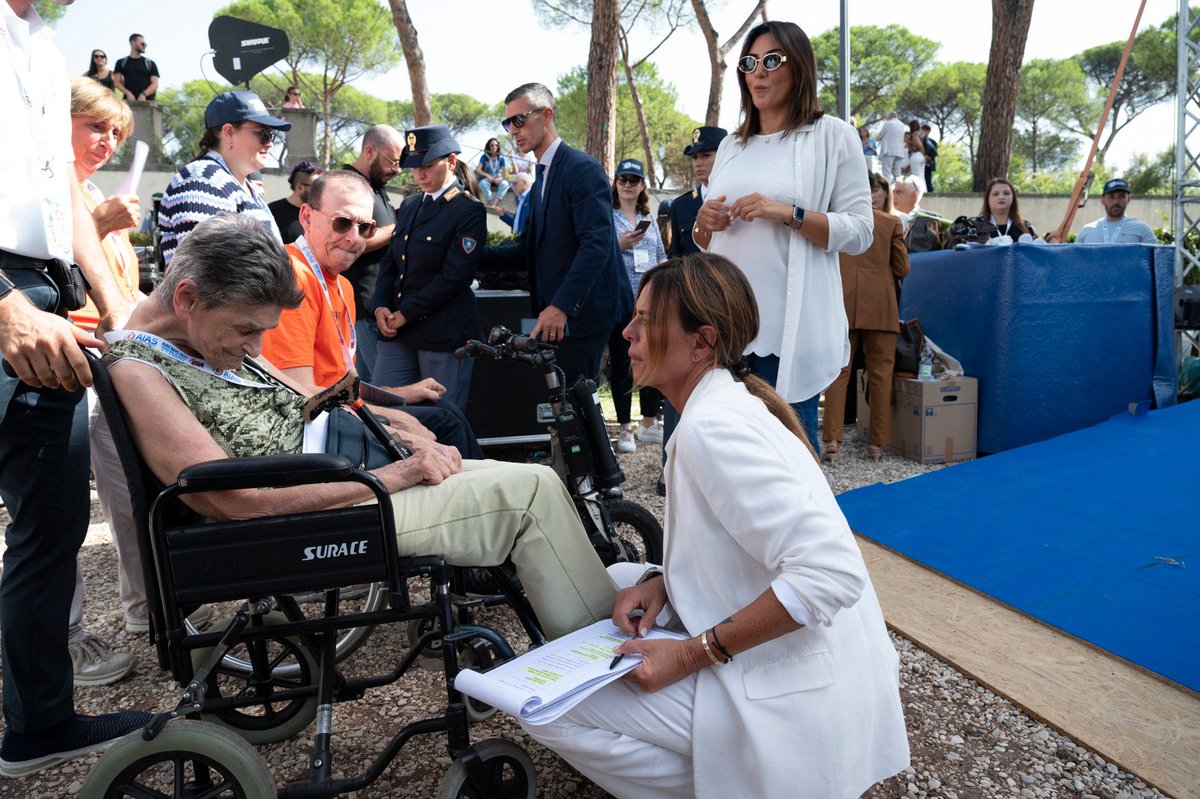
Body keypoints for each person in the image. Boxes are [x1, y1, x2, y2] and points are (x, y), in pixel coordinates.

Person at [104, 214, 618, 642]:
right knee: (529, 492)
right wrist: (396, 475)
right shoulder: (139, 370)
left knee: (531, 481)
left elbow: (303, 400)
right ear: (188, 299)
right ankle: (600, 653)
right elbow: (228, 497)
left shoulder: (196, 338)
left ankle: (598, 624)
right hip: (310, 515)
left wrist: (393, 420)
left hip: (334, 483)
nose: (256, 349)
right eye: (246, 330)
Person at [524, 253, 909, 799]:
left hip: (803, 698)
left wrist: (689, 654)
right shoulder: (729, 402)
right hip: (831, 678)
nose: (628, 333)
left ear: (701, 343)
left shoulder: (715, 428)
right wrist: (662, 583)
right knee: (625, 574)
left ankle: (749, 782)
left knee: (545, 710)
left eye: (644, 320)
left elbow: (831, 574)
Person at [0, 0, 151, 778]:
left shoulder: (45, 46)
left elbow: (62, 201)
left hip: (51, 298)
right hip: (8, 297)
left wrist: (123, 314)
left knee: (51, 526)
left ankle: (39, 724)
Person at [693, 20, 873, 456]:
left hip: (786, 334)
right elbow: (704, 242)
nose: (758, 72)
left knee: (789, 462)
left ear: (800, 68)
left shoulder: (832, 135)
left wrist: (788, 213)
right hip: (725, 327)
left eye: (772, 60)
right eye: (749, 62)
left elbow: (861, 232)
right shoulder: (734, 145)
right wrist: (704, 221)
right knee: (729, 456)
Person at [261, 170, 484, 459]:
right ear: (306, 217)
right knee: (445, 422)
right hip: (313, 434)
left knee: (442, 408)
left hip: (336, 413)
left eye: (364, 228)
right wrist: (395, 421)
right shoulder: (294, 278)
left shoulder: (341, 285)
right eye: (342, 223)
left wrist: (400, 394)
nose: (354, 239)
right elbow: (301, 396)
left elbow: (344, 386)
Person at [63, 76, 145, 683]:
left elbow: (126, 295)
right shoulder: (41, 194)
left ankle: (147, 611)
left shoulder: (96, 201)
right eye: (96, 126)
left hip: (111, 367)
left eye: (116, 132)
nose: (108, 141)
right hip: (62, 369)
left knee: (129, 495)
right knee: (57, 513)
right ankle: (64, 641)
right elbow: (43, 279)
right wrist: (97, 220)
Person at [480, 82, 629, 386]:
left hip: (581, 316)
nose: (513, 130)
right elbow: (528, 251)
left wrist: (561, 306)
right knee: (564, 414)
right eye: (507, 123)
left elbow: (596, 244)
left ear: (546, 114)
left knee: (576, 409)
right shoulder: (540, 182)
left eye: (518, 120)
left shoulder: (581, 169)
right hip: (556, 320)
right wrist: (468, 256)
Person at [372, 125, 485, 411]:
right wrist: (380, 306)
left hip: (441, 332)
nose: (420, 174)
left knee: (441, 417)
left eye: (428, 166)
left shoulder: (467, 210)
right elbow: (391, 262)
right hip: (398, 329)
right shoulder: (410, 205)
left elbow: (454, 277)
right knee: (383, 409)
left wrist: (405, 314)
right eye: (414, 167)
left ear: (451, 162)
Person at [822, 172, 910, 463]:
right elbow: (903, 268)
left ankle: (833, 440)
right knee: (881, 375)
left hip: (840, 305)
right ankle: (877, 443)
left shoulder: (836, 222)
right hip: (881, 309)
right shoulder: (891, 223)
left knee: (838, 373)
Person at [158, 90, 291, 264]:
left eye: (270, 135)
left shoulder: (238, 184)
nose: (270, 143)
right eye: (262, 133)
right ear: (228, 132)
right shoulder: (201, 180)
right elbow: (207, 270)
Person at [607, 158, 666, 454]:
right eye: (623, 179)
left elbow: (660, 255)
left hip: (650, 304)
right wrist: (619, 245)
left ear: (642, 185)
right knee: (622, 365)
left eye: (634, 179)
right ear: (615, 184)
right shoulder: (607, 216)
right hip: (620, 303)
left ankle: (648, 423)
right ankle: (625, 428)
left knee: (654, 361)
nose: (628, 184)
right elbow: (597, 253)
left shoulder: (649, 218)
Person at [341, 125, 406, 383]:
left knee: (371, 394)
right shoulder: (349, 185)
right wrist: (398, 229)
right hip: (364, 310)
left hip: (378, 308)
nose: (397, 170)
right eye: (393, 161)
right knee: (384, 392)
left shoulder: (377, 185)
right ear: (370, 151)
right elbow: (350, 241)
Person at [667, 125, 726, 257]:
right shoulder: (680, 205)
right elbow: (676, 257)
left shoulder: (737, 198)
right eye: (694, 157)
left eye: (705, 155)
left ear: (724, 155)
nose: (698, 163)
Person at [1073, 178, 1158, 244]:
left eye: (1121, 197)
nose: (1116, 202)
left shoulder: (1142, 229)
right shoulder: (1087, 230)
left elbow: (1157, 261)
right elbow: (1074, 261)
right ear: (1102, 200)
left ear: (1128, 199)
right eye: (1111, 197)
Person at [269, 160, 322, 244]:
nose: (319, 191)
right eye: (315, 187)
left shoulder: (319, 213)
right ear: (300, 187)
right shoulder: (272, 211)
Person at [970, 177, 1037, 241]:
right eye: (996, 194)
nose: (1001, 197)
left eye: (1006, 193)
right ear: (987, 199)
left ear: (1013, 198)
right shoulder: (973, 226)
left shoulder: (1026, 228)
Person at [111, 33, 157, 103]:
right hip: (128, 103)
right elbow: (116, 83)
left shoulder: (150, 63)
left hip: (148, 104)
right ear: (132, 43)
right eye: (142, 43)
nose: (144, 46)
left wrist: (143, 94)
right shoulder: (121, 62)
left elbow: (155, 84)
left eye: (145, 44)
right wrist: (128, 93)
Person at [474, 137, 511, 208]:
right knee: (482, 184)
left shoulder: (501, 158)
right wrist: (488, 176)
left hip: (497, 178)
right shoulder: (484, 157)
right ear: (488, 146)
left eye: (496, 145)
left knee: (505, 184)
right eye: (492, 145)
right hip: (487, 178)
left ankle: (494, 204)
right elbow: (478, 170)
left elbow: (504, 174)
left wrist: (499, 178)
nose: (494, 147)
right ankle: (491, 202)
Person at [498, 171, 533, 236]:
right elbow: (516, 225)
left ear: (524, 182)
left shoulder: (533, 196)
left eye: (515, 183)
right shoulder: (521, 199)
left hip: (525, 241)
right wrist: (503, 215)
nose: (513, 186)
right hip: (517, 239)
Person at [877, 111, 907, 182]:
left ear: (890, 116)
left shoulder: (888, 123)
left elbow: (880, 136)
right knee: (897, 173)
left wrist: (877, 138)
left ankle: (887, 191)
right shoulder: (902, 125)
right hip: (899, 152)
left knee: (886, 172)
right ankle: (900, 190)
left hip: (889, 151)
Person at [905, 128, 927, 195]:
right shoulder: (921, 136)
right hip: (920, 157)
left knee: (917, 176)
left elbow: (920, 147)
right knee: (921, 175)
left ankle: (920, 192)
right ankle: (924, 192)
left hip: (917, 156)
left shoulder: (914, 137)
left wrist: (924, 155)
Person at [919, 123, 938, 193]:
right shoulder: (919, 141)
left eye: (924, 130)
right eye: (922, 130)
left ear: (928, 131)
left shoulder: (933, 142)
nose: (923, 132)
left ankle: (930, 194)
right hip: (920, 163)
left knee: (928, 180)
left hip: (928, 164)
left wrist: (929, 158)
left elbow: (934, 153)